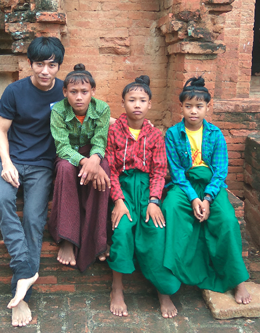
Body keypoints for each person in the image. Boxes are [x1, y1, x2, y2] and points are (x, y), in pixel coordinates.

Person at [0, 37, 65, 327]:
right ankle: (26, 270)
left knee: (34, 219)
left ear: (58, 65)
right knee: (1, 200)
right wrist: (7, 163)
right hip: (12, 161)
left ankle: (20, 295)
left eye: (52, 65)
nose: (45, 71)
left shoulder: (65, 91)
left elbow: (92, 111)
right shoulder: (15, 91)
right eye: (39, 64)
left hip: (42, 166)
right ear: (30, 64)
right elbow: (0, 131)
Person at [161, 77, 252, 306]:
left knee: (227, 220)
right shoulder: (173, 134)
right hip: (184, 186)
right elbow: (176, 171)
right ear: (181, 107)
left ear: (207, 108)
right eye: (188, 106)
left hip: (212, 185)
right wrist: (193, 198)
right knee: (170, 210)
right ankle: (171, 280)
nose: (193, 111)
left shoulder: (215, 134)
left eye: (199, 106)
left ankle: (238, 280)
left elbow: (221, 172)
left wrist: (208, 199)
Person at [105, 76, 179, 319]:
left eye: (142, 100)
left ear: (149, 104)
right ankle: (117, 288)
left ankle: (163, 291)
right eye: (132, 100)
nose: (137, 104)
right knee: (123, 228)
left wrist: (154, 201)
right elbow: (111, 170)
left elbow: (159, 171)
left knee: (156, 232)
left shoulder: (155, 135)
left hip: (148, 191)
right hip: (124, 189)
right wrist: (118, 201)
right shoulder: (114, 131)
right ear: (123, 103)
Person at [48, 63, 111, 272]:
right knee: (65, 169)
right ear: (65, 92)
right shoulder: (58, 110)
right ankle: (67, 239)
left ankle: (98, 239)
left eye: (84, 92)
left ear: (92, 91)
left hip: (92, 152)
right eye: (73, 92)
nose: (79, 97)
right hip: (68, 156)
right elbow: (62, 146)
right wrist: (85, 162)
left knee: (105, 167)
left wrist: (95, 159)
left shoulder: (102, 108)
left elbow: (100, 140)